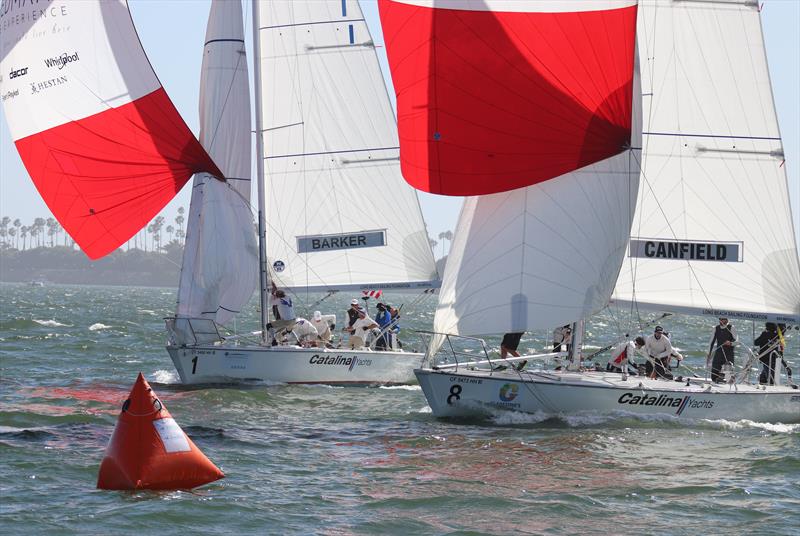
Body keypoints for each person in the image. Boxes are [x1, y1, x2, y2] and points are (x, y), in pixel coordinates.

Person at [707, 317, 736, 383]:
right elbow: (711, 342)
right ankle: (715, 385)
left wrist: (730, 343)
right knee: (714, 375)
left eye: (724, 319)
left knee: (729, 376)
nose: (722, 321)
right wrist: (709, 354)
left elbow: (737, 341)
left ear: (727, 320)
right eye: (721, 319)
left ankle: (730, 387)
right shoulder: (716, 328)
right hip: (719, 353)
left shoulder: (731, 327)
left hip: (728, 354)